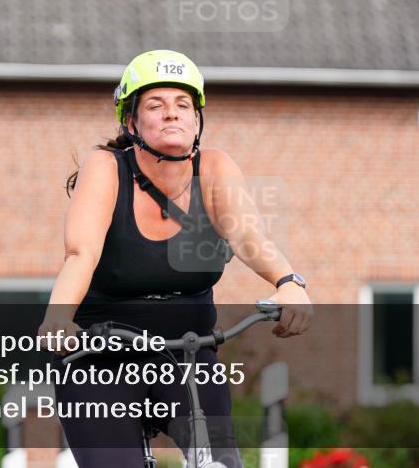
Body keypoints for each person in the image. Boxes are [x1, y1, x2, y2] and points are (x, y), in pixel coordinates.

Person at [38, 49, 313, 467]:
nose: (172, 115)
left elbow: (247, 235)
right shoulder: (107, 168)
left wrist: (289, 282)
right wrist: (59, 316)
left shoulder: (216, 168)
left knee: (220, 462)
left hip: (189, 352)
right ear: (131, 122)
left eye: (184, 105)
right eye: (156, 105)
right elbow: (81, 252)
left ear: (197, 120)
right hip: (100, 355)